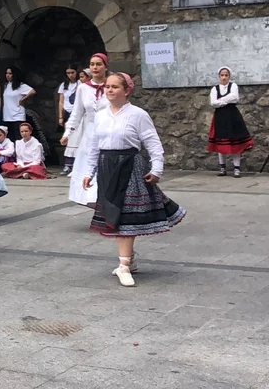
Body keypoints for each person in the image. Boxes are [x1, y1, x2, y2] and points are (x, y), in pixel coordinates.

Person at [81, 72, 184, 287]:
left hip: (130, 167)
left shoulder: (138, 115)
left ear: (126, 90)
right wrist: (89, 172)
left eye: (115, 87)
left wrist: (157, 169)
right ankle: (129, 259)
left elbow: (153, 143)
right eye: (107, 86)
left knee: (124, 214)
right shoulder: (100, 115)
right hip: (107, 167)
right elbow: (94, 146)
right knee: (114, 212)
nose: (109, 90)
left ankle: (124, 265)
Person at [63, 52, 110, 201]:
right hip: (91, 132)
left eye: (99, 64)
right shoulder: (83, 88)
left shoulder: (111, 86)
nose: (95, 67)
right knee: (89, 166)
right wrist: (67, 133)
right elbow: (76, 113)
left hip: (109, 130)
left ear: (105, 67)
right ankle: (93, 199)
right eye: (92, 64)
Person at [207, 67, 254, 176]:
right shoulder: (215, 89)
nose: (224, 77)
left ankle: (237, 168)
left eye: (226, 75)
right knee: (221, 142)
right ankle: (222, 168)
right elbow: (213, 103)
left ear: (229, 76)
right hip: (220, 117)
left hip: (233, 116)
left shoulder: (233, 86)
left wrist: (221, 100)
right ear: (219, 76)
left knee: (235, 142)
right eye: (222, 75)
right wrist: (226, 100)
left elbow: (235, 98)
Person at [0, 66, 35, 142]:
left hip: (18, 115)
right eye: (6, 73)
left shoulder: (21, 85)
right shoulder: (6, 85)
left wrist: (23, 99)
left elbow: (32, 91)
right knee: (9, 138)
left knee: (19, 138)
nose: (8, 75)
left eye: (10, 73)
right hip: (7, 115)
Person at [56, 65, 80, 137]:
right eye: (68, 73)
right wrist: (60, 117)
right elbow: (61, 102)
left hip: (77, 111)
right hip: (67, 112)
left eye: (72, 72)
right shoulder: (64, 85)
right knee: (67, 133)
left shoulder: (80, 83)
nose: (70, 75)